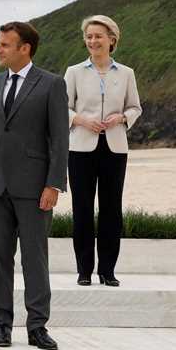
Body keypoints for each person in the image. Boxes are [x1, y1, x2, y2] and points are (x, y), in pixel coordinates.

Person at [0, 21, 69, 350]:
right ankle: (2, 325)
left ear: (24, 48)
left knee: (35, 259)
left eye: (4, 44)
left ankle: (37, 326)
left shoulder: (51, 85)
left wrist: (54, 183)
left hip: (34, 187)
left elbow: (59, 139)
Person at [64, 14, 142, 287]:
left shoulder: (126, 73)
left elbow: (135, 107)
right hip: (80, 148)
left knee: (111, 209)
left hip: (115, 148)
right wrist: (83, 120)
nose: (93, 41)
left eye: (98, 36)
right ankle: (84, 270)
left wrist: (121, 118)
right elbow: (64, 107)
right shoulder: (74, 72)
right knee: (82, 209)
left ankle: (107, 271)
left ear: (112, 39)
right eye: (89, 36)